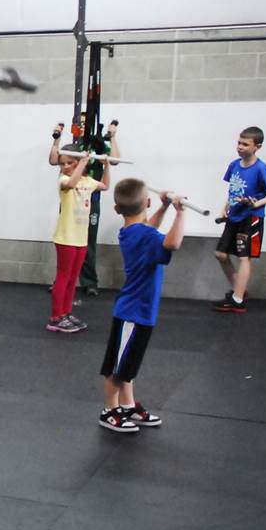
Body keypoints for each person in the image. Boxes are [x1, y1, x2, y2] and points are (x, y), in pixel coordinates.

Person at [100, 180, 185, 432]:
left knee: (128, 364)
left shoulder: (130, 231)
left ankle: (126, 406)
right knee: (117, 368)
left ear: (117, 209)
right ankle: (109, 411)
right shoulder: (145, 236)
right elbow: (173, 243)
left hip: (138, 311)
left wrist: (166, 207)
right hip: (132, 313)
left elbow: (149, 227)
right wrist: (180, 212)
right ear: (147, 202)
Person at [212, 126, 266, 313]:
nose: (240, 147)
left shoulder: (262, 169)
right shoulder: (234, 165)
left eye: (245, 144)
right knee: (221, 254)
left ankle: (237, 300)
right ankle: (240, 290)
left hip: (251, 218)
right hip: (234, 216)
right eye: (239, 143)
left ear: (257, 146)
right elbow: (233, 190)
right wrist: (225, 208)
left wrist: (258, 204)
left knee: (244, 257)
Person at [47, 149, 109, 333]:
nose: (64, 167)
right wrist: (82, 161)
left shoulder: (88, 182)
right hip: (66, 237)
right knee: (63, 277)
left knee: (73, 278)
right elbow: (72, 182)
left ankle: (65, 313)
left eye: (69, 163)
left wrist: (106, 165)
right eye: (62, 163)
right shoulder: (64, 180)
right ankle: (55, 318)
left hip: (81, 238)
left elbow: (105, 185)